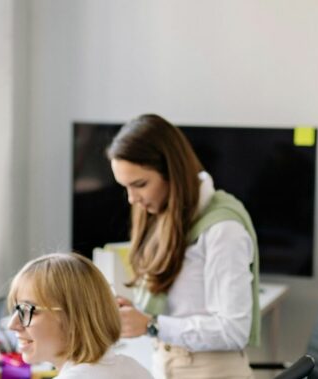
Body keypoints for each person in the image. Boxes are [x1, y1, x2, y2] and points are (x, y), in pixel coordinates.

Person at [107, 114, 260, 379]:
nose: (132, 199)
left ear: (172, 173)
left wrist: (152, 325)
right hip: (168, 363)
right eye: (126, 188)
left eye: (140, 185)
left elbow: (234, 330)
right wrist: (137, 314)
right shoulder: (166, 217)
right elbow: (182, 305)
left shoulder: (223, 230)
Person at [5, 252, 152, 379]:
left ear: (73, 317)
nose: (12, 325)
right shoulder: (131, 367)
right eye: (16, 309)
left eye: (27, 310)